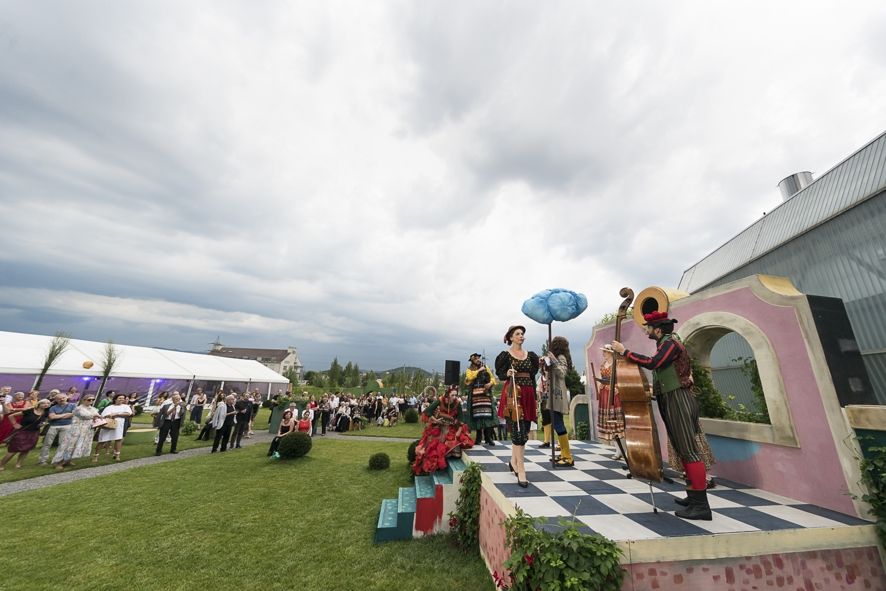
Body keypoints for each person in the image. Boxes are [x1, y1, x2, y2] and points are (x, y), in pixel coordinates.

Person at [611, 311, 712, 521]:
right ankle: (693, 496)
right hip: (671, 398)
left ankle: (701, 505)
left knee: (689, 451)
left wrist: (625, 351)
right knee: (683, 450)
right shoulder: (665, 343)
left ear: (658, 329)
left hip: (679, 399)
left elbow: (653, 363)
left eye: (648, 327)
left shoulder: (670, 344)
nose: (646, 330)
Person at [495, 325, 539, 488]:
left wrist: (534, 396)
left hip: (527, 395)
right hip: (513, 395)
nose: (521, 336)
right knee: (517, 432)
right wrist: (506, 373)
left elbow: (533, 377)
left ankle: (513, 461)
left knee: (524, 433)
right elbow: (500, 375)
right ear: (511, 337)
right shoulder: (505, 356)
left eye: (522, 334)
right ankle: (521, 469)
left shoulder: (531, 356)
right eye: (518, 334)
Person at [412, 385, 474, 475]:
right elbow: (428, 411)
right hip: (440, 426)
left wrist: (459, 431)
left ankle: (449, 455)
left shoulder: (457, 403)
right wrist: (435, 420)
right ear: (448, 394)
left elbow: (461, 419)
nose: (455, 397)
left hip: (452, 426)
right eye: (452, 395)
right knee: (433, 443)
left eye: (456, 395)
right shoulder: (440, 400)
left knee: (454, 439)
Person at [543, 336, 575, 467]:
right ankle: (563, 453)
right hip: (554, 395)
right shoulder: (559, 357)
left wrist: (554, 360)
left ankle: (567, 456)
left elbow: (562, 373)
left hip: (558, 395)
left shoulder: (561, 357)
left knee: (558, 424)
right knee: (557, 423)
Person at [51, 394, 100, 470]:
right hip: (76, 430)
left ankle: (68, 460)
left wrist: (97, 418)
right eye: (89, 400)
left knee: (77, 445)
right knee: (69, 445)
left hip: (86, 430)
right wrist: (95, 416)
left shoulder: (93, 409)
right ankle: (59, 462)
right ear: (84, 400)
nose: (91, 401)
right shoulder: (78, 408)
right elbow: (84, 416)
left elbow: (95, 416)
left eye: (92, 400)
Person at [0, 399, 51, 470]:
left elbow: (46, 419)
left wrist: (44, 423)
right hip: (22, 432)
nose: (46, 404)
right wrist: (14, 424)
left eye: (48, 403)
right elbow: (11, 416)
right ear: (39, 404)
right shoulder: (29, 411)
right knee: (13, 450)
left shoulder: (46, 412)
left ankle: (18, 464)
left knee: (26, 449)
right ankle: (2, 465)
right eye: (44, 403)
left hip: (34, 433)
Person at [465, 353, 498, 445]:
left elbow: (493, 378)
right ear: (472, 360)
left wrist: (490, 384)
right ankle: (478, 438)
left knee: (487, 415)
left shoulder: (485, 367)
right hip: (475, 396)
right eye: (476, 359)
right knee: (477, 416)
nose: (478, 360)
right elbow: (470, 377)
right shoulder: (469, 370)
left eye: (478, 358)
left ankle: (488, 437)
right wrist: (479, 370)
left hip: (485, 395)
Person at [38, 391, 76, 465]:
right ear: (56, 400)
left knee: (63, 443)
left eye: (63, 397)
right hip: (53, 426)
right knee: (47, 443)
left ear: (66, 397)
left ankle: (59, 459)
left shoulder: (73, 405)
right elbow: (52, 417)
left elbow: (74, 414)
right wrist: (66, 415)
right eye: (59, 398)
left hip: (67, 426)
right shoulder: (53, 407)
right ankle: (42, 461)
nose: (61, 399)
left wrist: (58, 416)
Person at [94, 393, 133, 462]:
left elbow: (128, 413)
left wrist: (117, 414)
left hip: (119, 425)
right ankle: (96, 456)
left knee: (118, 439)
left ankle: (117, 455)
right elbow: (104, 415)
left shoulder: (125, 406)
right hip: (108, 425)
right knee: (102, 440)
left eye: (123, 398)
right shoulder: (109, 407)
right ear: (115, 399)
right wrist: (111, 415)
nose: (121, 399)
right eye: (120, 398)